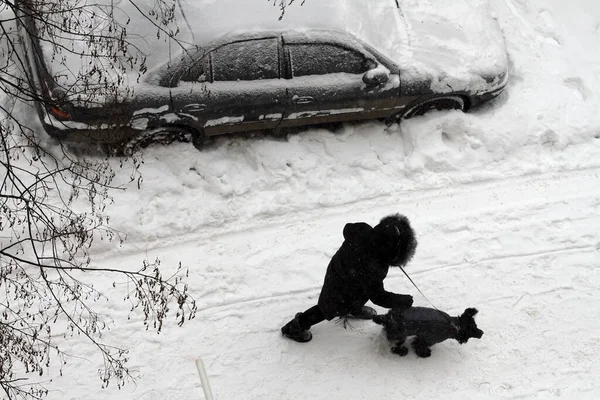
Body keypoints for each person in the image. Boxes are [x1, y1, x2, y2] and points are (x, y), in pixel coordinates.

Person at [281, 214, 418, 342]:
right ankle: (295, 327)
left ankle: (353, 309)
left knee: (357, 296)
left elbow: (348, 228)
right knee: (328, 307)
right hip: (342, 286)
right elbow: (378, 296)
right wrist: (402, 301)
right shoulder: (374, 267)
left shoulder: (363, 230)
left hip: (340, 270)